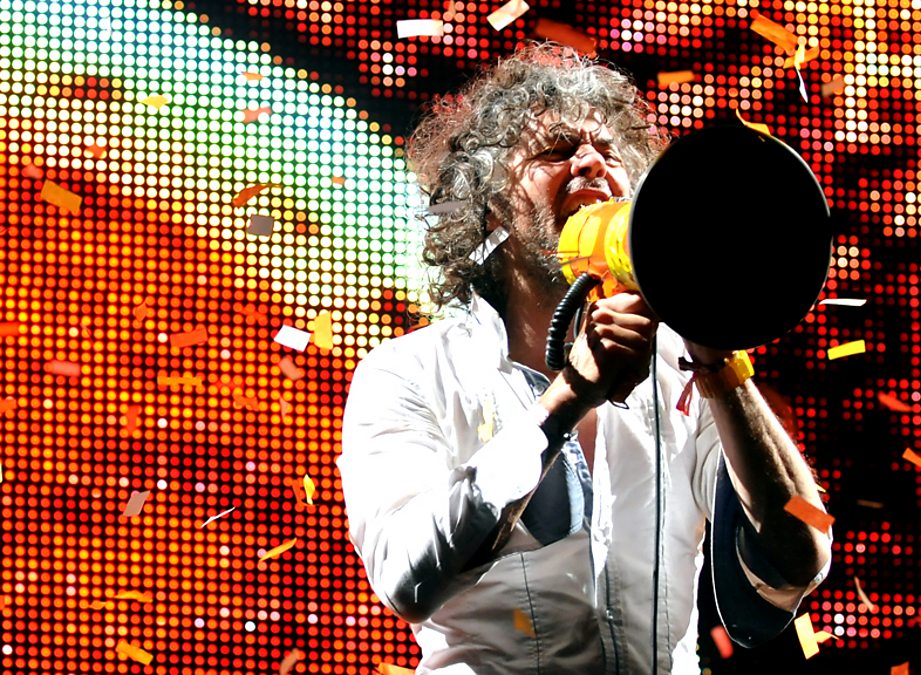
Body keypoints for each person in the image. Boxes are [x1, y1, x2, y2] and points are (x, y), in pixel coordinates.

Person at [338, 43, 832, 674]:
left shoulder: (686, 371)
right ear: (489, 205)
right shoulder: (410, 373)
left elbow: (802, 553)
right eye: (557, 149)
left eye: (609, 152)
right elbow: (407, 577)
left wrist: (717, 355)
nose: (592, 161)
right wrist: (566, 398)